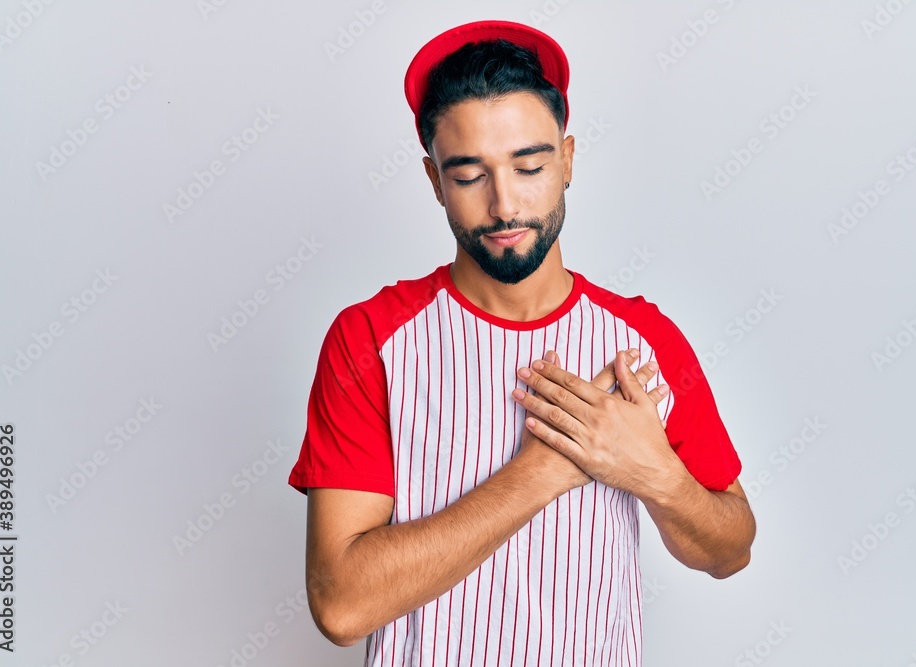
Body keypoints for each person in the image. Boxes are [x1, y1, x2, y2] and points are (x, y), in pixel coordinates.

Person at [288, 19, 756, 666]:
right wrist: (541, 471)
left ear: (567, 159)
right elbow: (340, 605)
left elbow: (732, 547)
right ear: (433, 180)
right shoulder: (370, 340)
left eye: (529, 165)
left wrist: (652, 471)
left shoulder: (642, 341)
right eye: (469, 174)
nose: (504, 204)